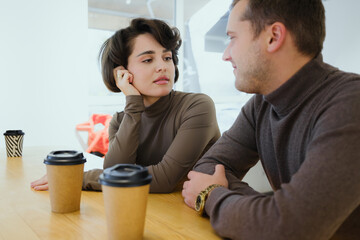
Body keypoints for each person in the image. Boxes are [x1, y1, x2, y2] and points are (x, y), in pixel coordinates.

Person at [182, 0, 360, 239]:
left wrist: (212, 195)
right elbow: (207, 169)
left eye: (233, 38)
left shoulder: (351, 103)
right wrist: (271, 214)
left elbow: (290, 228)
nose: (225, 54)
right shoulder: (261, 103)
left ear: (273, 37)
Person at [31, 18, 220, 193]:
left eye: (167, 57)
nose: (162, 66)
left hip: (195, 217)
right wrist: (133, 104)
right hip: (148, 212)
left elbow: (165, 179)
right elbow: (114, 171)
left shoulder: (198, 106)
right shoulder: (121, 120)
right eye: (148, 59)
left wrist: (79, 177)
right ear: (121, 72)